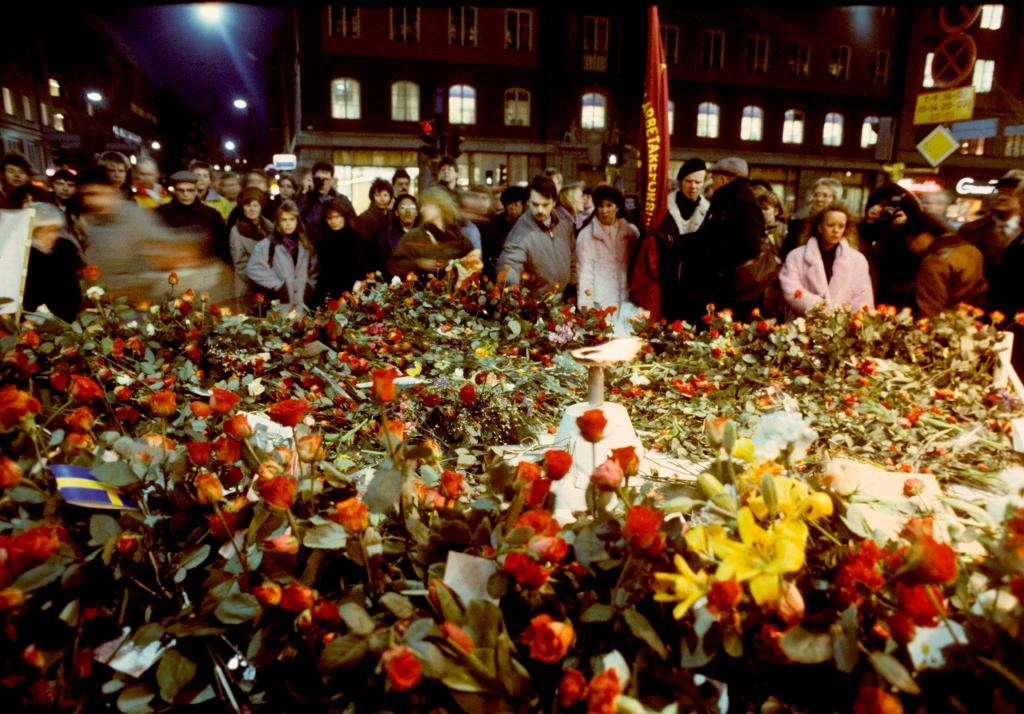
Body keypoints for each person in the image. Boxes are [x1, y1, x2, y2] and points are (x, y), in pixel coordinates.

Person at [73, 167, 232, 306]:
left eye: (96, 193)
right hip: (104, 304)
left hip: (137, 303)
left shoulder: (135, 217)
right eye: (85, 195)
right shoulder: (86, 224)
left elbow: (161, 248)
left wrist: (193, 246)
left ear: (112, 191)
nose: (91, 200)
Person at [682, 156, 765, 323]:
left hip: (728, 288)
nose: (711, 183)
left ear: (724, 178)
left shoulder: (742, 202)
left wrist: (718, 260)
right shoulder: (728, 199)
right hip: (719, 283)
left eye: (713, 178)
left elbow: (750, 246)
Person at [778, 204, 874, 320]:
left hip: (842, 330)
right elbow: (791, 289)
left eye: (841, 226)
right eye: (830, 225)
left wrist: (847, 321)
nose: (836, 230)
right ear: (819, 227)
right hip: (803, 326)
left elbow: (863, 298)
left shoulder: (858, 260)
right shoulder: (796, 256)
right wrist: (819, 307)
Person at [497, 174, 576, 296]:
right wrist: (510, 290)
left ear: (554, 202)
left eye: (545, 205)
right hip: (536, 305)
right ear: (528, 202)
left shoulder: (564, 224)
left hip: (563, 299)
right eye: (535, 204)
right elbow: (510, 263)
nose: (540, 210)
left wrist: (573, 284)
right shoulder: (520, 232)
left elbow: (573, 257)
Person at [653, 158, 709, 322]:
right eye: (688, 181)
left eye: (698, 182)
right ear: (680, 181)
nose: (693, 186)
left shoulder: (707, 210)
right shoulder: (663, 207)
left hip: (695, 284)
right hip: (666, 279)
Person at [246, 200, 319, 316]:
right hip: (279, 305)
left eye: (292, 219)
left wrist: (309, 285)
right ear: (278, 222)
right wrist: (277, 285)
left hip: (301, 305)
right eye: (284, 220)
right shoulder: (268, 244)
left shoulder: (305, 245)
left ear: (297, 221)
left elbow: (314, 269)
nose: (288, 224)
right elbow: (253, 268)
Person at [907, 214, 987, 318]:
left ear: (926, 234)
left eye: (912, 240)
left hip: (943, 324)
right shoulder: (971, 250)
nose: (911, 248)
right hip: (969, 319)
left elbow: (929, 307)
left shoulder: (935, 261)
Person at [860, 184, 925, 311]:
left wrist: (904, 228)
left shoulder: (912, 239)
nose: (888, 212)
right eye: (882, 207)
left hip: (897, 299)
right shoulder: (865, 234)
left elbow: (910, 265)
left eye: (893, 210)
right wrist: (870, 223)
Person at [388, 187, 476, 280]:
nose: (421, 210)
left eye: (426, 205)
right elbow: (395, 264)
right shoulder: (412, 237)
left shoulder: (459, 239)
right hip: (420, 293)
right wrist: (417, 264)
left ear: (439, 207)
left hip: (451, 293)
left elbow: (472, 265)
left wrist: (451, 265)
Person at [576, 184, 639, 312]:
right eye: (600, 205)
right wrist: (587, 310)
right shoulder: (587, 236)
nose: (604, 210)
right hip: (600, 305)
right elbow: (584, 276)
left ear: (617, 207)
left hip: (627, 303)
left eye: (609, 205)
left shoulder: (630, 234)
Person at [21, 202, 83, 322]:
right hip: (34, 321)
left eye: (55, 230)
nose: (52, 236)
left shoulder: (65, 248)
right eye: (45, 231)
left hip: (68, 318)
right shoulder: (23, 254)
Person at [958, 175, 1023, 286]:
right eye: (998, 192)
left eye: (1009, 193)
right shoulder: (970, 231)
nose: (1001, 197)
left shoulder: (1021, 231)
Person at [156, 170, 229, 263]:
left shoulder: (212, 215)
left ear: (196, 191)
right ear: (174, 191)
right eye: (181, 190)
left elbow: (222, 248)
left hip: (203, 267)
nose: (186, 194)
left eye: (190, 190)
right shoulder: (161, 213)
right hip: (170, 267)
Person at [315, 196, 374, 304]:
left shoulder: (358, 239)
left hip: (354, 294)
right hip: (329, 295)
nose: (334, 221)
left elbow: (366, 267)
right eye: (330, 218)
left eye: (337, 217)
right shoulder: (321, 242)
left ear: (344, 217)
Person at [229, 187, 274, 311]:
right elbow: (240, 264)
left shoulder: (269, 226)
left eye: (255, 205)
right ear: (242, 207)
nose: (252, 209)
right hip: (249, 285)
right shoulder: (237, 230)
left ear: (261, 206)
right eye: (248, 205)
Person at [783, 177, 844, 257]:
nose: (819, 199)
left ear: (834, 199)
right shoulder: (797, 224)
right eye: (816, 195)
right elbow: (787, 253)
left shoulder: (842, 225)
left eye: (825, 196)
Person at [297, 160, 353, 246]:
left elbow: (353, 224)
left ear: (331, 180)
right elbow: (295, 216)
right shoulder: (306, 199)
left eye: (326, 179)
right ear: (313, 179)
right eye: (319, 179)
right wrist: (304, 192)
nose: (322, 182)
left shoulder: (342, 200)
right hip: (311, 247)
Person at [482, 185, 528, 282]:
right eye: (509, 204)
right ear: (505, 206)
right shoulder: (495, 224)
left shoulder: (528, 224)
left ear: (523, 205)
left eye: (516, 204)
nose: (513, 208)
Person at [354, 177, 394, 263]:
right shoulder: (363, 219)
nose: (382, 199)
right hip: (372, 264)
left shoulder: (393, 217)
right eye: (377, 195)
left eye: (385, 195)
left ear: (390, 197)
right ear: (372, 197)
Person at [380, 193, 419, 275]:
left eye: (411, 207)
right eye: (403, 207)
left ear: (417, 212)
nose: (408, 211)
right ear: (396, 212)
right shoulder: (386, 237)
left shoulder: (424, 234)